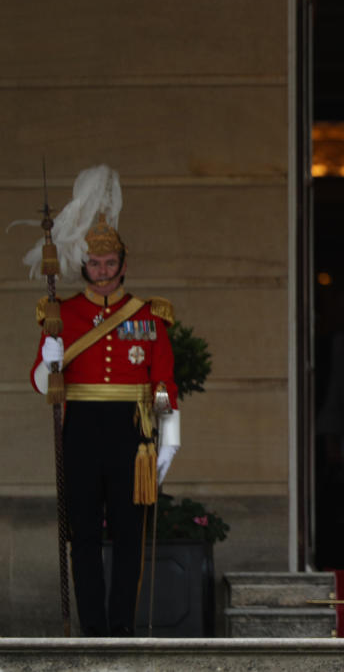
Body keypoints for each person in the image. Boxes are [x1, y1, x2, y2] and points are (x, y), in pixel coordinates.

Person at [27, 165, 180, 636]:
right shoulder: (63, 313)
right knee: (85, 534)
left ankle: (121, 629)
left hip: (131, 432)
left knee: (130, 536)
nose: (104, 272)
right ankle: (92, 629)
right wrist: (50, 358)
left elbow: (166, 383)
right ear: (83, 266)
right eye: (96, 265)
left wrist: (169, 440)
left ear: (123, 264)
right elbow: (38, 384)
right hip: (83, 428)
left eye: (111, 263)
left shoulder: (149, 315)